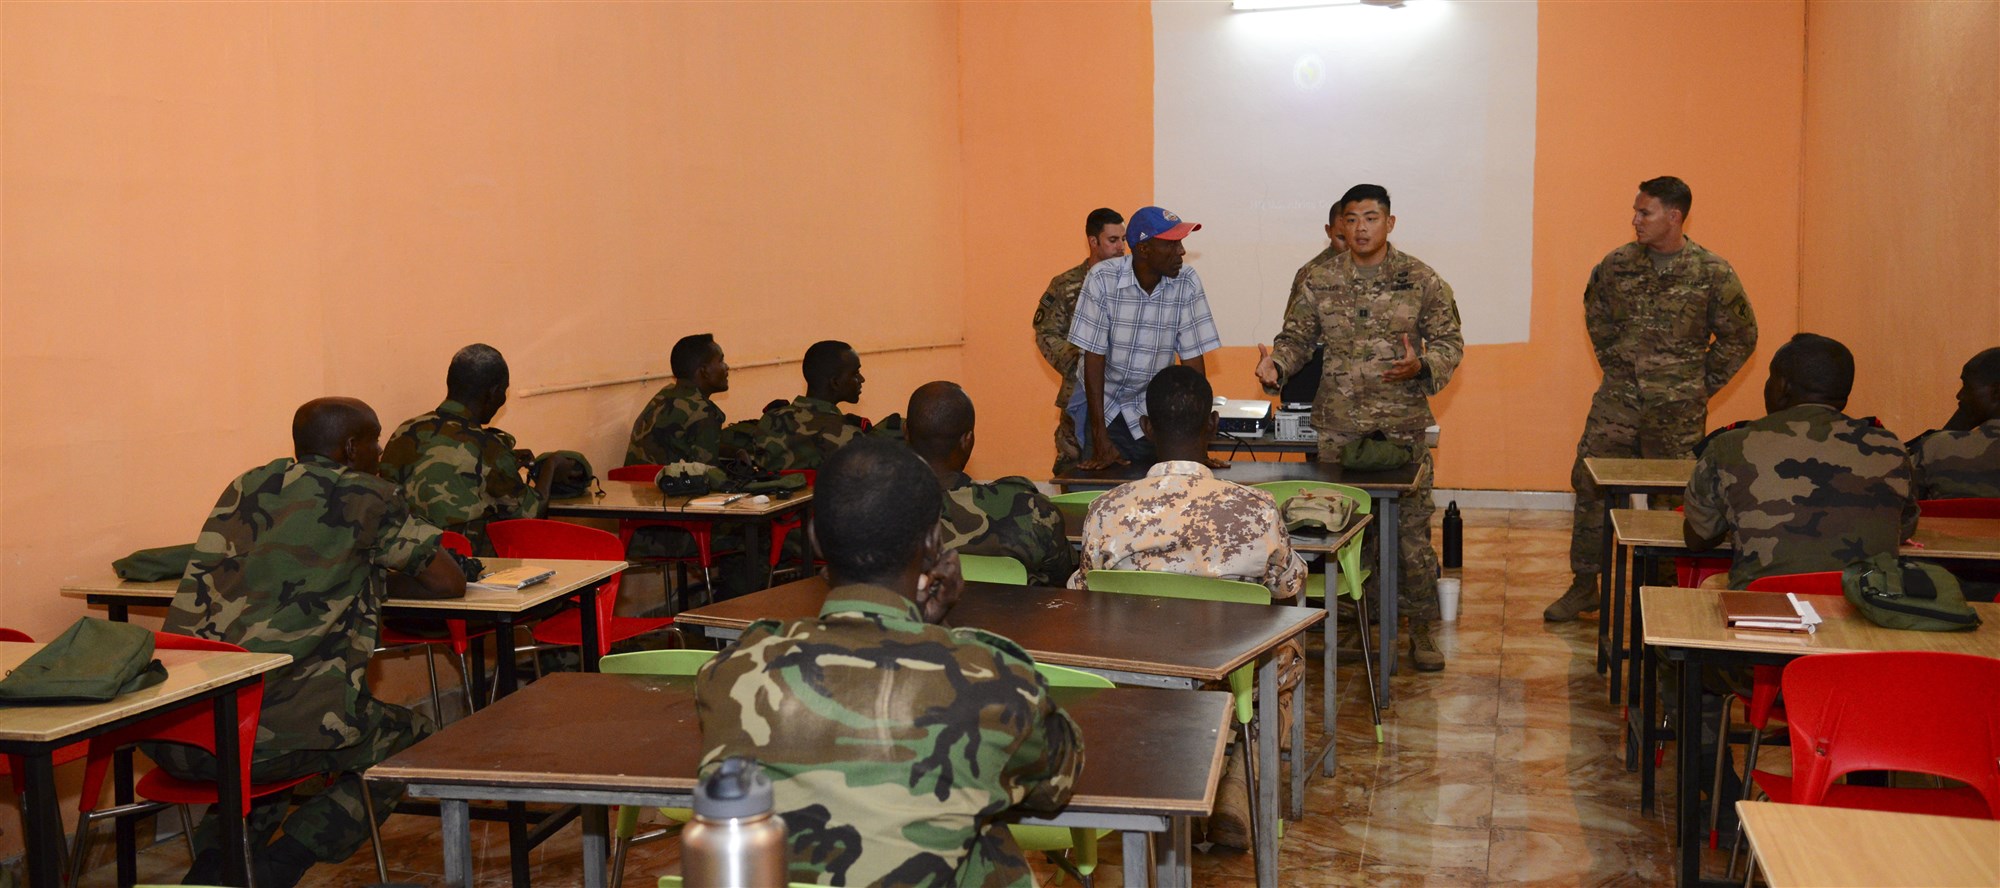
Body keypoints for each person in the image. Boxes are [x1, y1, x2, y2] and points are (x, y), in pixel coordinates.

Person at [696, 438, 1083, 886]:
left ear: (816, 539)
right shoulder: (991, 679)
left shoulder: (734, 671)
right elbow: (1056, 781)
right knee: (984, 836)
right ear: (935, 543)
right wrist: (933, 632)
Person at [155, 398, 466, 888]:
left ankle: (212, 872)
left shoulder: (248, 484)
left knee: (263, 736)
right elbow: (448, 582)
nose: (380, 451)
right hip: (271, 738)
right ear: (351, 447)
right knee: (411, 739)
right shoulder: (366, 494)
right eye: (375, 440)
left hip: (187, 727)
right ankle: (284, 866)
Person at [1069, 365, 1302, 849]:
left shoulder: (1107, 510)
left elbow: (1081, 593)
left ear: (1147, 429)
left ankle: (1154, 775)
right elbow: (1288, 583)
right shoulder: (1254, 509)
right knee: (1288, 650)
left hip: (1136, 676)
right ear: (1213, 425)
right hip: (1225, 675)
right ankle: (1238, 779)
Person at [1257, 183, 1463, 672]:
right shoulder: (1318, 278)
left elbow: (1451, 342)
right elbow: (1296, 338)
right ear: (1340, 225)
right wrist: (1277, 368)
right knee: (1340, 530)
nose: (1361, 228)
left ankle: (1420, 631)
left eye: (1371, 218)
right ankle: (1349, 618)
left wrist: (1424, 366)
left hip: (1401, 429)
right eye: (1352, 219)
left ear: (1390, 223)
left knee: (1410, 535)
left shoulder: (1421, 279)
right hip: (1339, 431)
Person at [1546, 176, 1759, 622]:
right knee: (1590, 483)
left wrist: (1699, 385)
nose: (1635, 220)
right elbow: (1597, 314)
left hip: (1677, 412)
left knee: (1676, 500)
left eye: (1646, 212)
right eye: (1636, 211)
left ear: (1675, 216)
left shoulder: (1712, 272)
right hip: (1617, 403)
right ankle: (1586, 584)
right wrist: (1617, 364)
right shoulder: (1617, 264)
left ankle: (1663, 594)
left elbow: (1741, 337)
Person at [1683, 334, 1917, 588]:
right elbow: (1902, 527)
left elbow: (1698, 538)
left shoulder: (1730, 446)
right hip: (1867, 609)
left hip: (1766, 612)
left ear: (1782, 386)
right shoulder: (1891, 449)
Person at [1066, 206, 1222, 468]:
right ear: (1144, 249)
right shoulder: (1102, 279)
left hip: (1153, 410)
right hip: (1103, 405)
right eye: (1172, 244)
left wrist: (1199, 446)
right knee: (1103, 494)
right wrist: (1100, 437)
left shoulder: (1187, 281)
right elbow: (1094, 359)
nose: (1181, 251)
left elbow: (1193, 365)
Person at [379, 344, 564, 555]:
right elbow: (532, 514)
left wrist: (506, 460)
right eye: (503, 391)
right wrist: (551, 465)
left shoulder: (405, 430)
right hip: (463, 566)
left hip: (404, 562)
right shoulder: (488, 448)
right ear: (493, 393)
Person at [906, 380, 1074, 587]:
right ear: (968, 440)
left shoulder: (872, 510)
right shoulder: (1031, 512)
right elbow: (1064, 580)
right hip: (1014, 618)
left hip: (917, 618)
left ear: (906, 433)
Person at [1032, 208, 1127, 475]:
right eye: (1112, 240)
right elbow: (1046, 332)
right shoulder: (1067, 284)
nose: (1121, 247)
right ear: (1093, 241)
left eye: (1124, 239)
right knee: (1072, 467)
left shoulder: (1134, 282)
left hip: (1126, 399)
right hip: (1080, 394)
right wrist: (1081, 361)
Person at [749, 339, 878, 470]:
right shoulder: (847, 435)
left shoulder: (770, 420)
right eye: (855, 374)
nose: (862, 379)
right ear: (835, 382)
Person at [626, 333, 743, 467]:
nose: (726, 367)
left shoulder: (663, 396)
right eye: (721, 361)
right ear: (704, 371)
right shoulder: (704, 412)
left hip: (633, 486)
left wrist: (733, 452)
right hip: (665, 486)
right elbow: (707, 476)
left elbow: (682, 443)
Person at [1910, 347, 2000, 500]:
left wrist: (1950, 431)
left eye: (1966, 385)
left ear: (1996, 392)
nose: (1960, 395)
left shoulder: (1937, 449)